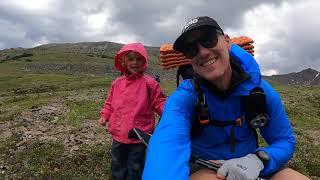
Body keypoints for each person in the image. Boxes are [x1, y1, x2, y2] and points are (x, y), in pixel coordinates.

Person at [143, 16, 309, 180]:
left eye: (208, 39)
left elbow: (284, 140)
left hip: (251, 165)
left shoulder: (259, 91)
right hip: (205, 166)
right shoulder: (185, 97)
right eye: (191, 48)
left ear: (227, 41)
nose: (202, 51)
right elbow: (166, 147)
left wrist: (259, 159)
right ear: (189, 58)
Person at [100, 42, 166, 180]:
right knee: (117, 163)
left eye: (138, 59)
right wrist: (105, 115)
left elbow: (158, 101)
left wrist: (168, 112)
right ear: (123, 62)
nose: (134, 62)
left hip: (139, 136)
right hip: (118, 134)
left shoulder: (149, 83)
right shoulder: (117, 83)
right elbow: (109, 102)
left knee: (135, 166)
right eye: (130, 59)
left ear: (144, 62)